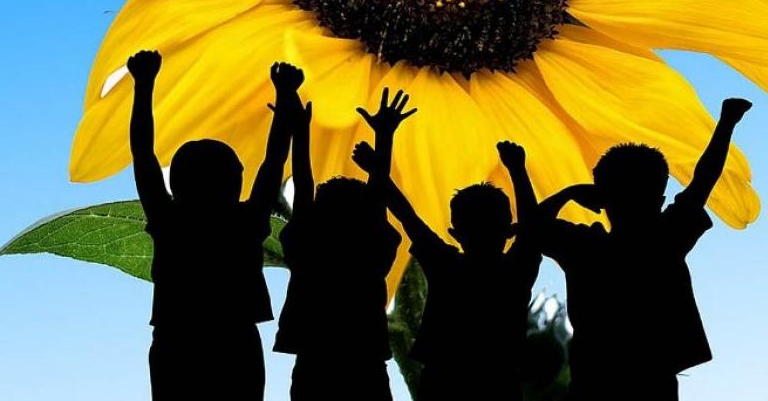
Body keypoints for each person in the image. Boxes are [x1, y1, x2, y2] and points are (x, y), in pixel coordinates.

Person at [536, 97, 752, 401]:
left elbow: (532, 227)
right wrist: (726, 124)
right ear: (661, 196)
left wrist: (568, 194)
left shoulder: (585, 248)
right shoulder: (664, 238)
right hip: (653, 380)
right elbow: (703, 181)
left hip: (594, 381)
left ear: (600, 195)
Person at [128, 50, 300, 401]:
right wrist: (285, 98)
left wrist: (143, 85)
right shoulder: (246, 221)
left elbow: (143, 154)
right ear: (235, 182)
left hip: (177, 337)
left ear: (176, 184)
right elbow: (273, 161)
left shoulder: (169, 218)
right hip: (235, 338)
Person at [352, 100, 542, 401]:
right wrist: (518, 170)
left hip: (443, 377)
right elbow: (533, 228)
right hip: (499, 379)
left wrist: (380, 152)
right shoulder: (516, 270)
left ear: (453, 233)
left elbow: (405, 214)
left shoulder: (446, 265)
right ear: (509, 229)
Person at [273, 88, 406, 400]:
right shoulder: (370, 251)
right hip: (365, 357)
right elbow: (376, 198)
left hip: (314, 356)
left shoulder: (309, 246)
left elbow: (303, 184)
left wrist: (300, 129)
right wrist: (384, 136)